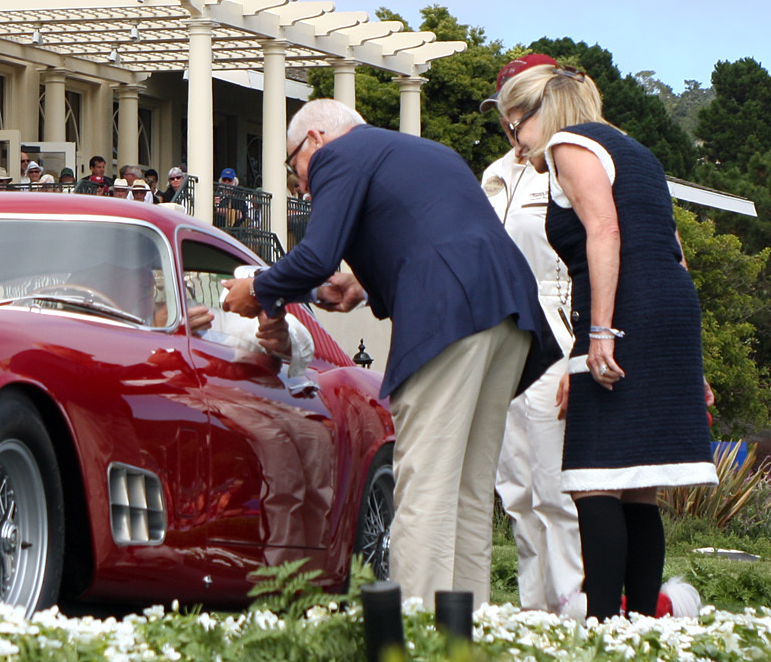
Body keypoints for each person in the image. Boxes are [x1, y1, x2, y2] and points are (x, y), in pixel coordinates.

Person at [221, 100, 559, 607]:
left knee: (423, 482)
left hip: (449, 318)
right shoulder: (424, 152)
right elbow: (428, 235)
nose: (303, 189)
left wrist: (260, 289)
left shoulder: (339, 155)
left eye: (296, 172)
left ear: (314, 139)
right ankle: (464, 639)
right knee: (467, 489)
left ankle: (416, 642)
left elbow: (316, 255)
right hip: (508, 313)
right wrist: (357, 289)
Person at [498, 63, 715, 620]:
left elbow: (605, 232)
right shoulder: (633, 149)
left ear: (540, 113)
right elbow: (674, 249)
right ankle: (642, 621)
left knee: (593, 478)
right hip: (667, 311)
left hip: (625, 312)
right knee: (638, 481)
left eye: (514, 126)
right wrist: (691, 362)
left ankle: (603, 623)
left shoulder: (572, 145)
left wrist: (600, 333)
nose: (516, 144)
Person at [479, 53, 583, 615]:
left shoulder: (573, 165)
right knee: (515, 490)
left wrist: (579, 353)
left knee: (555, 486)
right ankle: (534, 613)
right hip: (505, 333)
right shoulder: (496, 175)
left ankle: (577, 610)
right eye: (503, 106)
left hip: (558, 329)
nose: (508, 119)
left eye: (516, 106)